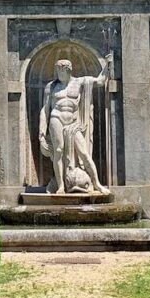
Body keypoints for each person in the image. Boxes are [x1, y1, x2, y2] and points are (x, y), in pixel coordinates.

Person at [39, 53, 111, 194]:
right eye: (58, 71)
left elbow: (101, 81)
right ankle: (60, 186)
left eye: (62, 71)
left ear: (69, 70)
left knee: (84, 153)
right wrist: (42, 133)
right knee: (58, 151)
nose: (59, 74)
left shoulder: (80, 82)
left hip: (73, 122)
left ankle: (97, 184)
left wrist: (108, 65)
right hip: (56, 118)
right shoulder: (51, 87)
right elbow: (45, 109)